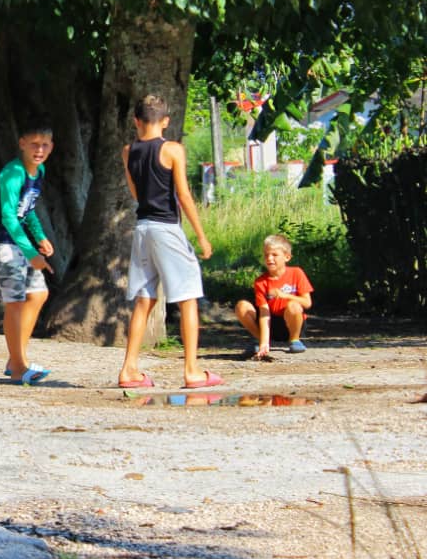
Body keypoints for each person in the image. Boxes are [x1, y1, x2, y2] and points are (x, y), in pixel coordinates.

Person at [117, 95, 221, 390]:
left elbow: (136, 192)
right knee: (188, 297)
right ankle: (191, 371)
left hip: (142, 228)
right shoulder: (172, 149)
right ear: (165, 121)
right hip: (166, 227)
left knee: (144, 299)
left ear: (136, 121)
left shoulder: (128, 151)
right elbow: (183, 195)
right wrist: (201, 235)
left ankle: (129, 369)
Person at [0, 123, 56, 385]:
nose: (39, 150)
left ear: (51, 146)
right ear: (22, 143)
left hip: (15, 241)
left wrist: (40, 235)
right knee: (15, 300)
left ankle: (15, 358)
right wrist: (31, 253)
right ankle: (19, 366)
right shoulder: (12, 173)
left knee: (39, 294)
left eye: (44, 145)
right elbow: (9, 217)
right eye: (34, 144)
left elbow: (27, 210)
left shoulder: (39, 171)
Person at [234, 234, 314, 359]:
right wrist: (264, 342)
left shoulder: (296, 273)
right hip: (271, 322)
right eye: (266, 255)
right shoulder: (261, 281)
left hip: (292, 321)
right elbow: (264, 313)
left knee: (293, 306)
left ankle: (294, 340)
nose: (269, 258)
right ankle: (261, 341)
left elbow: (307, 303)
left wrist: (284, 295)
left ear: (287, 257)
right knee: (242, 306)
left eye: (274, 255)